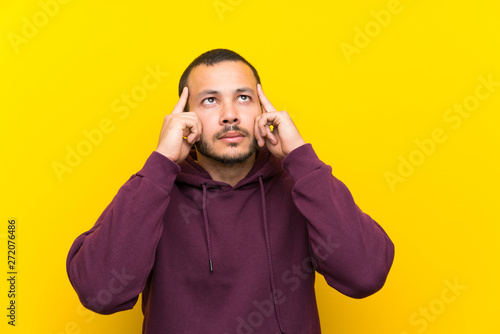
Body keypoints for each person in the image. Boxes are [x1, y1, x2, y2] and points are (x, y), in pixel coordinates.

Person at [66, 48, 395, 334]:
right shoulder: (154, 192)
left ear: (263, 111)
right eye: (210, 100)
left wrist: (301, 157)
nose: (230, 115)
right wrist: (160, 163)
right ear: (185, 118)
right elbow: (100, 292)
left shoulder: (303, 188)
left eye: (243, 97)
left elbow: (365, 273)